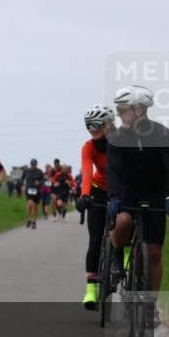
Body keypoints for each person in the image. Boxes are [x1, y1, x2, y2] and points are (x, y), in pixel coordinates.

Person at [106, 86, 169, 328]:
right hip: (129, 191)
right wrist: (113, 196)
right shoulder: (117, 138)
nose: (119, 114)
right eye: (119, 109)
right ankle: (115, 249)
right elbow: (112, 169)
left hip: (155, 193)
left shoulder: (163, 134)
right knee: (123, 222)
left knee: (154, 251)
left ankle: (149, 306)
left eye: (123, 109)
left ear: (140, 110)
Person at [76, 104, 114, 310]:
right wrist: (85, 194)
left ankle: (127, 254)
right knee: (96, 239)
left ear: (108, 123)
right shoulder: (89, 146)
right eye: (88, 125)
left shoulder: (121, 141)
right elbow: (86, 170)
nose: (92, 128)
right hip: (100, 189)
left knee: (127, 225)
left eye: (97, 124)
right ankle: (91, 290)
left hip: (122, 188)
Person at [20, 159, 44, 228]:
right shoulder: (26, 171)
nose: (33, 166)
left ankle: (34, 221)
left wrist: (39, 182)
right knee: (30, 205)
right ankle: (29, 219)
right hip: (29, 190)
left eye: (34, 165)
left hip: (37, 190)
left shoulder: (40, 172)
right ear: (30, 164)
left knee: (36, 206)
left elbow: (43, 180)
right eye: (32, 165)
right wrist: (22, 186)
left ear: (37, 165)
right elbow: (22, 179)